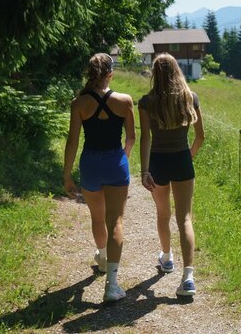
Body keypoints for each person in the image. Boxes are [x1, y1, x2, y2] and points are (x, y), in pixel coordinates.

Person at [63, 53, 136, 303]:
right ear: (110, 74)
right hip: (116, 162)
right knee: (115, 221)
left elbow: (72, 141)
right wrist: (122, 159)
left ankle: (102, 259)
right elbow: (131, 138)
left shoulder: (79, 103)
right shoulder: (125, 101)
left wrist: (66, 175)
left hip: (90, 164)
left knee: (97, 217)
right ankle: (112, 285)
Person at [138, 53, 205, 297]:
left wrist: (144, 170)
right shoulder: (190, 97)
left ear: (155, 74)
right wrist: (188, 156)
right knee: (185, 217)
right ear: (177, 70)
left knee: (163, 213)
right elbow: (200, 137)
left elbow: (145, 138)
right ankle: (188, 278)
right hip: (182, 160)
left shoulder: (146, 102)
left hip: (157, 161)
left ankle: (167, 259)